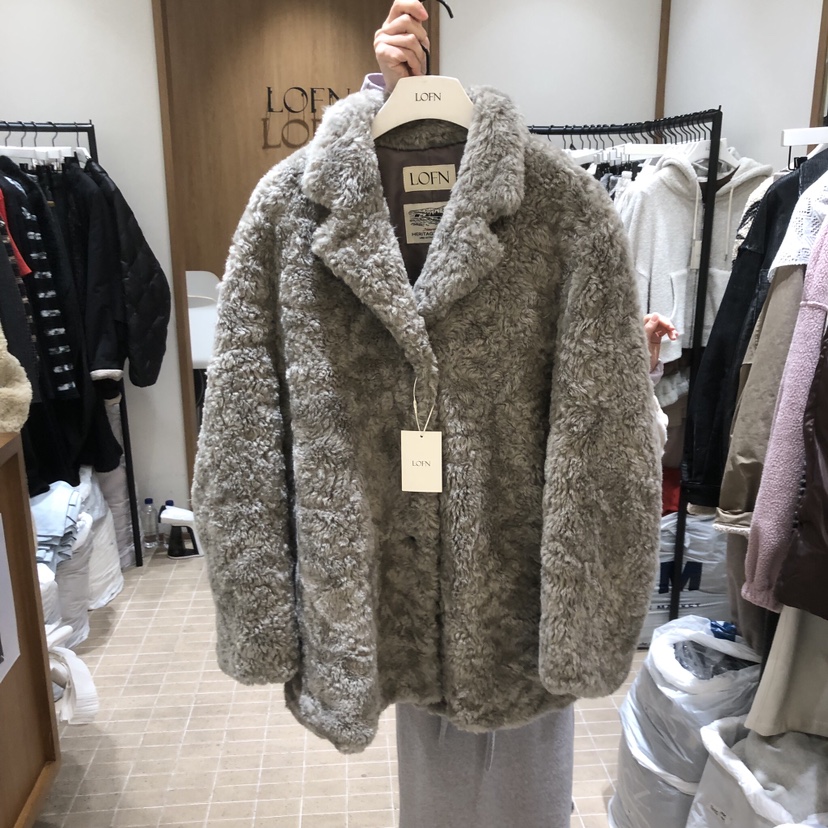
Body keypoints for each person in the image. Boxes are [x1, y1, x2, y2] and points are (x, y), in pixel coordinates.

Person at [366, 5, 677, 827]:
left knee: (528, 786)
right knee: (434, 781)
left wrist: (582, 608)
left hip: (526, 565)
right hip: (410, 547)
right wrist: (380, 100)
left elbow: (606, 433)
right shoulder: (364, 204)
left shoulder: (563, 209)